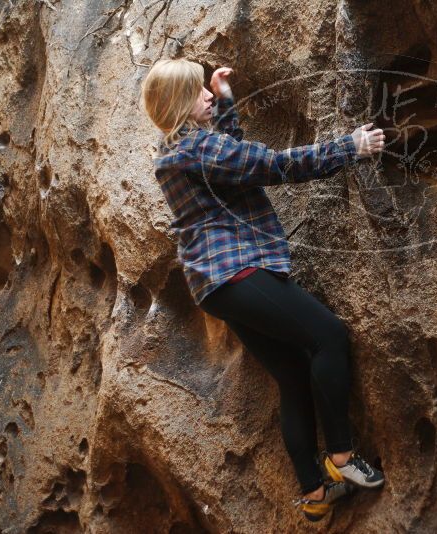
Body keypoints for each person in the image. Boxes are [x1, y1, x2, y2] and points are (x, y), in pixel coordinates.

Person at [141, 58, 386, 522]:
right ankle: (341, 460)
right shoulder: (195, 149)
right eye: (199, 91)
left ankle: (315, 496)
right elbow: (272, 165)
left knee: (293, 374)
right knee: (328, 336)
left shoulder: (177, 150)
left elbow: (229, 156)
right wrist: (349, 147)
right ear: (178, 101)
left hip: (215, 281)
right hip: (236, 270)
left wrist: (226, 101)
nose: (207, 95)